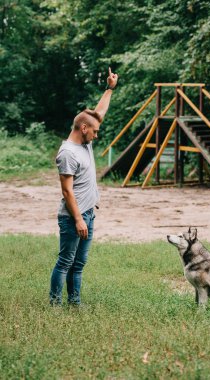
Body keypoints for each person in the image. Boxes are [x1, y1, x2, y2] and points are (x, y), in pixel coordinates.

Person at [49, 68, 118, 306]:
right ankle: (55, 305)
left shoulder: (84, 141)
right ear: (84, 129)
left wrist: (109, 89)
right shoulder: (68, 152)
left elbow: (98, 113)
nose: (97, 136)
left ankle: (75, 304)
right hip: (72, 217)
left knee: (78, 264)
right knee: (65, 262)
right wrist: (78, 219)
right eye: (95, 132)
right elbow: (66, 191)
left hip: (88, 213)